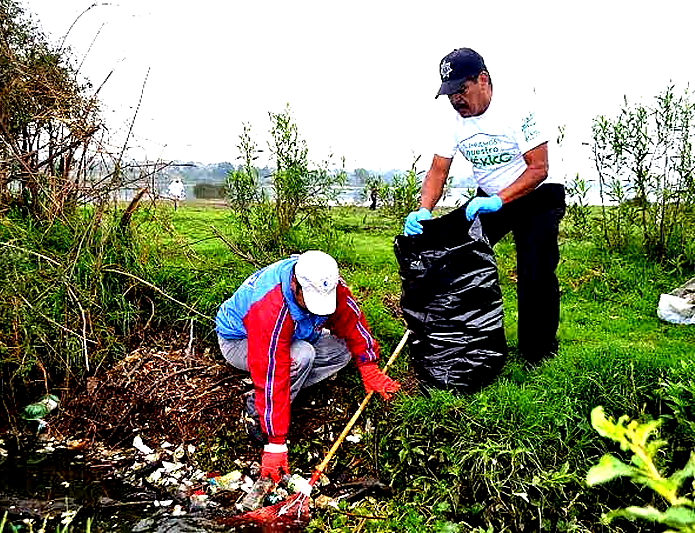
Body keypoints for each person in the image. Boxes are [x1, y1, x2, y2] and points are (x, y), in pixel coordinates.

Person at [404, 47, 566, 365]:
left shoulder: (520, 108)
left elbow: (539, 168)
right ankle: (467, 338)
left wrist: (499, 200)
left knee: (535, 271)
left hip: (538, 193)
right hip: (490, 196)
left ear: (483, 80)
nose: (456, 100)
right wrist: (424, 209)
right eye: (450, 93)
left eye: (461, 90)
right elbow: (438, 170)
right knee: (457, 257)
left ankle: (538, 353)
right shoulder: (450, 119)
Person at [215, 250, 401, 482]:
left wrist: (368, 365)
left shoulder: (327, 282)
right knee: (302, 356)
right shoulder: (270, 306)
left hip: (295, 333)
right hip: (240, 341)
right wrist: (275, 444)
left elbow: (351, 320)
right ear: (295, 285)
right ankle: (257, 409)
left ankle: (288, 387)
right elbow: (272, 369)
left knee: (342, 349)